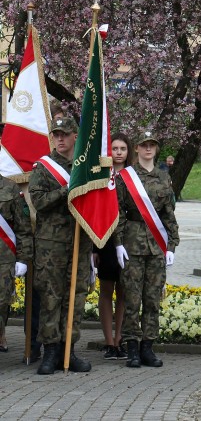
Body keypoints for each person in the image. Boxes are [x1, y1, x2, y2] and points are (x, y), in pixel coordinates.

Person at [29, 117, 93, 374]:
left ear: (75, 136)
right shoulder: (43, 168)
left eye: (65, 134)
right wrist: (67, 190)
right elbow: (39, 201)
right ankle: (51, 350)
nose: (60, 139)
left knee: (75, 297)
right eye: (56, 135)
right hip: (51, 245)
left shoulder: (84, 167)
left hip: (79, 240)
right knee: (51, 298)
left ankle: (69, 349)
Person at [114, 131, 179, 368]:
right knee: (131, 299)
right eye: (144, 145)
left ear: (156, 149)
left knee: (152, 299)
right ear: (137, 149)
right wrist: (118, 243)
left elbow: (168, 213)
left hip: (156, 245)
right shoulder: (125, 178)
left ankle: (148, 348)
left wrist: (172, 243)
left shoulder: (164, 178)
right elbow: (119, 212)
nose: (148, 149)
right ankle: (131, 347)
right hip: (132, 244)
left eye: (152, 145)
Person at [93, 132, 133, 360]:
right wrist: (94, 249)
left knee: (125, 291)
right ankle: (109, 342)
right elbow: (95, 212)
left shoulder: (133, 177)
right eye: (115, 148)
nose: (118, 153)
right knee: (107, 290)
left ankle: (121, 339)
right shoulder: (102, 176)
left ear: (129, 151)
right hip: (105, 239)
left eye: (123, 149)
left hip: (128, 240)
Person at [0, 173, 33, 353]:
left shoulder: (10, 188)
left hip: (3, 259)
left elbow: (23, 227)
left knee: (2, 301)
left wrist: (23, 258)